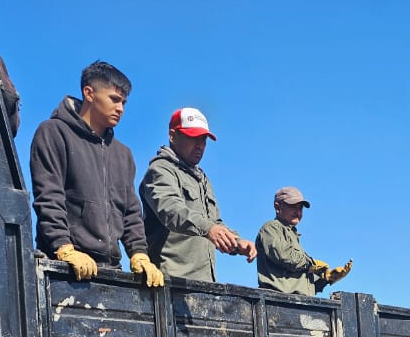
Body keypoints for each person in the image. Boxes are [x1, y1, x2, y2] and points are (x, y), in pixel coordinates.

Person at [29, 61, 163, 286]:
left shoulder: (124, 154)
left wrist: (140, 253)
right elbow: (49, 197)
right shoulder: (53, 132)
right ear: (89, 93)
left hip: (112, 272)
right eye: (114, 99)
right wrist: (63, 248)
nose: (121, 108)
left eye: (124, 102)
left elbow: (131, 212)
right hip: (64, 270)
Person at [140, 107, 255, 282]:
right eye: (193, 138)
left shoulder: (202, 179)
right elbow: (172, 211)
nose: (200, 146)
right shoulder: (160, 170)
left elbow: (214, 223)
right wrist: (209, 229)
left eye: (203, 140)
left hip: (204, 284)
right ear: (173, 136)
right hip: (170, 282)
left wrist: (237, 243)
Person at [255, 187, 352, 295]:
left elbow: (301, 284)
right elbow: (285, 256)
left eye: (300, 208)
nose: (297, 212)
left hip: (294, 302)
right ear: (277, 206)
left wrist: (327, 278)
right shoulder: (271, 228)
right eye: (292, 206)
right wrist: (311, 263)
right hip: (277, 301)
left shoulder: (291, 233)